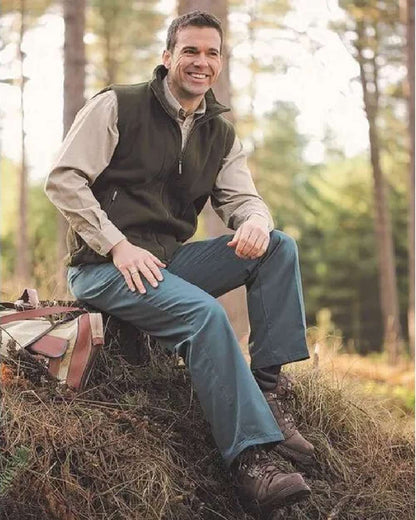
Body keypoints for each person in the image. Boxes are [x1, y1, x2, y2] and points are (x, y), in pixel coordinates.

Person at [45, 10, 314, 516]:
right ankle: (252, 462)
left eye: (212, 53)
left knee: (278, 245)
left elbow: (244, 200)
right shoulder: (117, 104)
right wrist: (116, 244)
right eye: (190, 50)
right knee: (205, 316)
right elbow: (63, 180)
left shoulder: (219, 133)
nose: (201, 62)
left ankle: (270, 394)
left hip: (168, 264)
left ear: (220, 63)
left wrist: (256, 219)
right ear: (168, 56)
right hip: (103, 268)